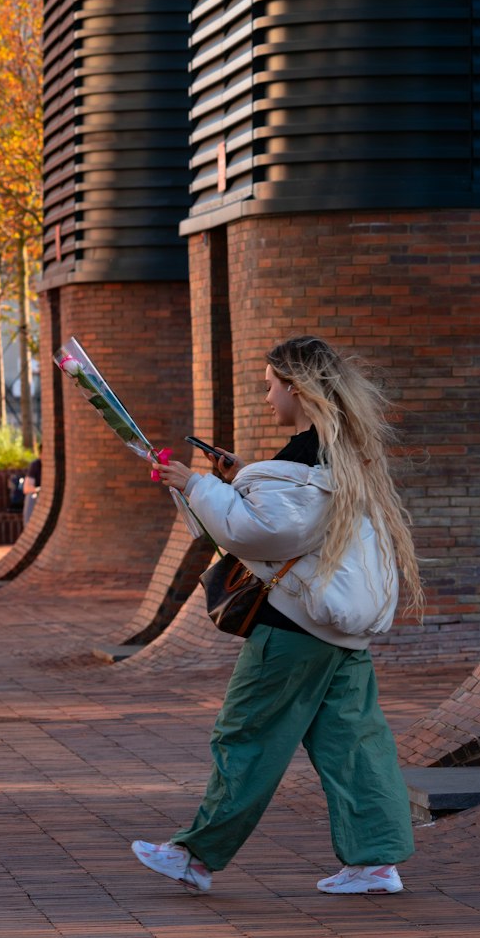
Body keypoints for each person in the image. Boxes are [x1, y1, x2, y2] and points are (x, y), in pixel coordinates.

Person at [131, 335, 423, 897]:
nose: (267, 397)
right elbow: (291, 516)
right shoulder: (343, 450)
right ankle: (376, 861)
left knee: (246, 735)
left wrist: (193, 484)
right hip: (340, 627)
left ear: (295, 387)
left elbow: (265, 531)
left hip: (293, 628)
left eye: (269, 385)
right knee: (353, 742)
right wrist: (241, 476)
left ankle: (195, 855)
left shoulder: (305, 454)